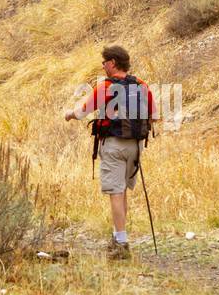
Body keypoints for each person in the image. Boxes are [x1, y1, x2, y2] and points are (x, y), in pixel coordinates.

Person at [64, 45, 156, 259]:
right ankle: (117, 235)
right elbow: (154, 116)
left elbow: (82, 112)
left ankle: (121, 243)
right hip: (136, 146)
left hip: (113, 144)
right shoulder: (141, 85)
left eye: (104, 62)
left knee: (115, 191)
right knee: (121, 189)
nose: (103, 66)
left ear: (113, 63)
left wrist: (69, 114)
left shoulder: (104, 86)